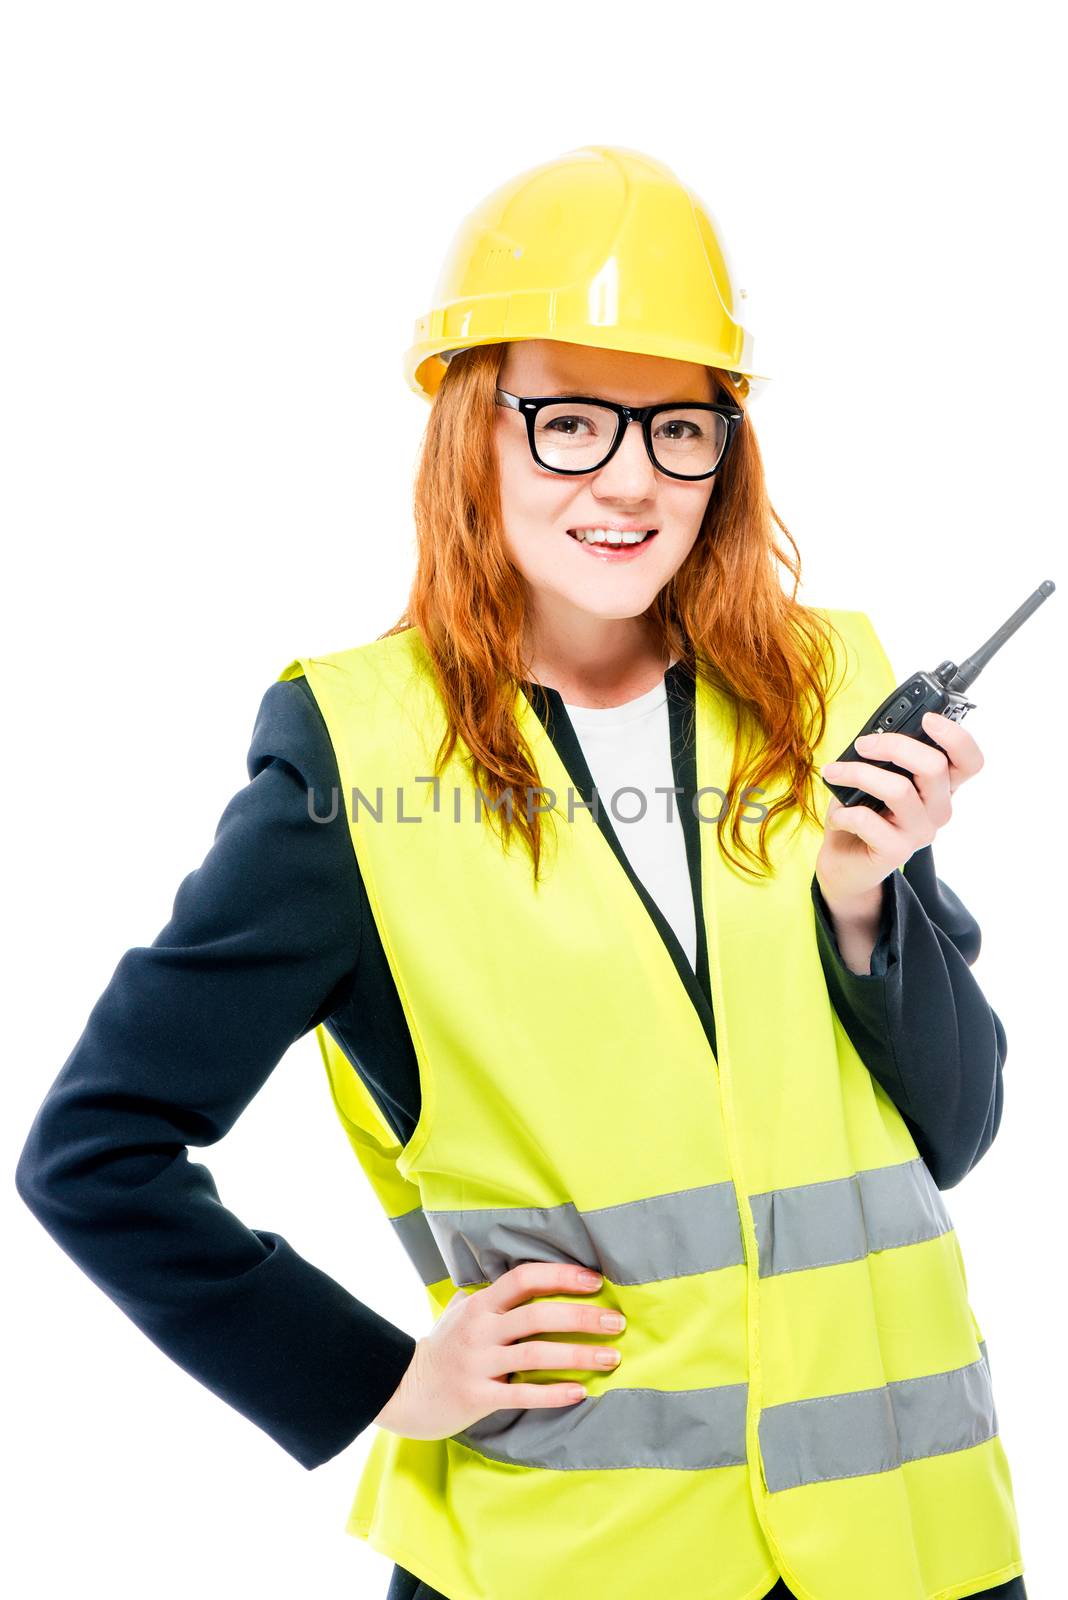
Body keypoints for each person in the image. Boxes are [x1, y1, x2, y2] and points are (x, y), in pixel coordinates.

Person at [15, 145, 1026, 1600]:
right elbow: (94, 1154)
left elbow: (953, 1136)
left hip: (915, 1551)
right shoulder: (354, 756)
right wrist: (376, 1381)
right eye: (566, 422)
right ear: (468, 435)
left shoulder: (824, 692)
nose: (631, 480)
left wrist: (867, 896)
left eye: (682, 428)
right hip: (573, 1563)